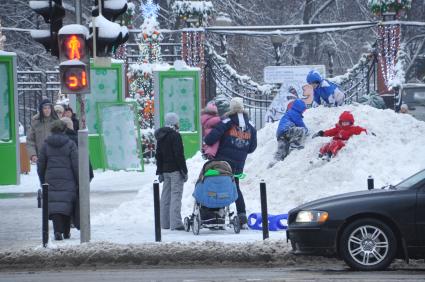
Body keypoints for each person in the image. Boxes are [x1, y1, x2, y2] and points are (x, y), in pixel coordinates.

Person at [204, 97, 257, 228]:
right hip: (239, 165)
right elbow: (252, 148)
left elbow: (210, 139)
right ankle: (242, 215)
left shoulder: (226, 122)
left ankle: (217, 214)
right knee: (235, 186)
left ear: (231, 109)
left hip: (222, 163)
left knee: (218, 185)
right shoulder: (250, 126)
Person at [37, 120, 79, 240]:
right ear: (64, 130)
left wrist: (43, 180)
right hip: (68, 178)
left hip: (51, 179)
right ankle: (66, 232)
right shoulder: (70, 144)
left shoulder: (46, 145)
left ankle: (58, 231)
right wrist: (78, 180)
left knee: (55, 205)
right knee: (66, 204)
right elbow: (76, 164)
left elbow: (40, 165)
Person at [155, 112, 188, 231]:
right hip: (175, 170)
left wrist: (159, 171)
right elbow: (179, 155)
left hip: (165, 171)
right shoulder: (175, 136)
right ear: (174, 122)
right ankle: (176, 223)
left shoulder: (161, 136)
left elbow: (158, 155)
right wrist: (184, 171)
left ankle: (165, 223)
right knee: (176, 196)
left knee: (165, 196)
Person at [272, 99, 308, 163]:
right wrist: (307, 131)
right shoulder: (295, 113)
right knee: (302, 130)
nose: (303, 111)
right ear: (299, 108)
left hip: (280, 134)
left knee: (282, 150)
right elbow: (301, 124)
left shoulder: (289, 112)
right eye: (303, 110)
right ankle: (294, 144)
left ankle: (275, 161)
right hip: (287, 130)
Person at [26, 98, 59, 163]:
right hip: (40, 157)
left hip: (55, 157)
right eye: (45, 108)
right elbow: (30, 140)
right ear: (41, 110)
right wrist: (33, 155)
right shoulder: (35, 122)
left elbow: (62, 139)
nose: (47, 110)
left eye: (49, 108)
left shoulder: (56, 121)